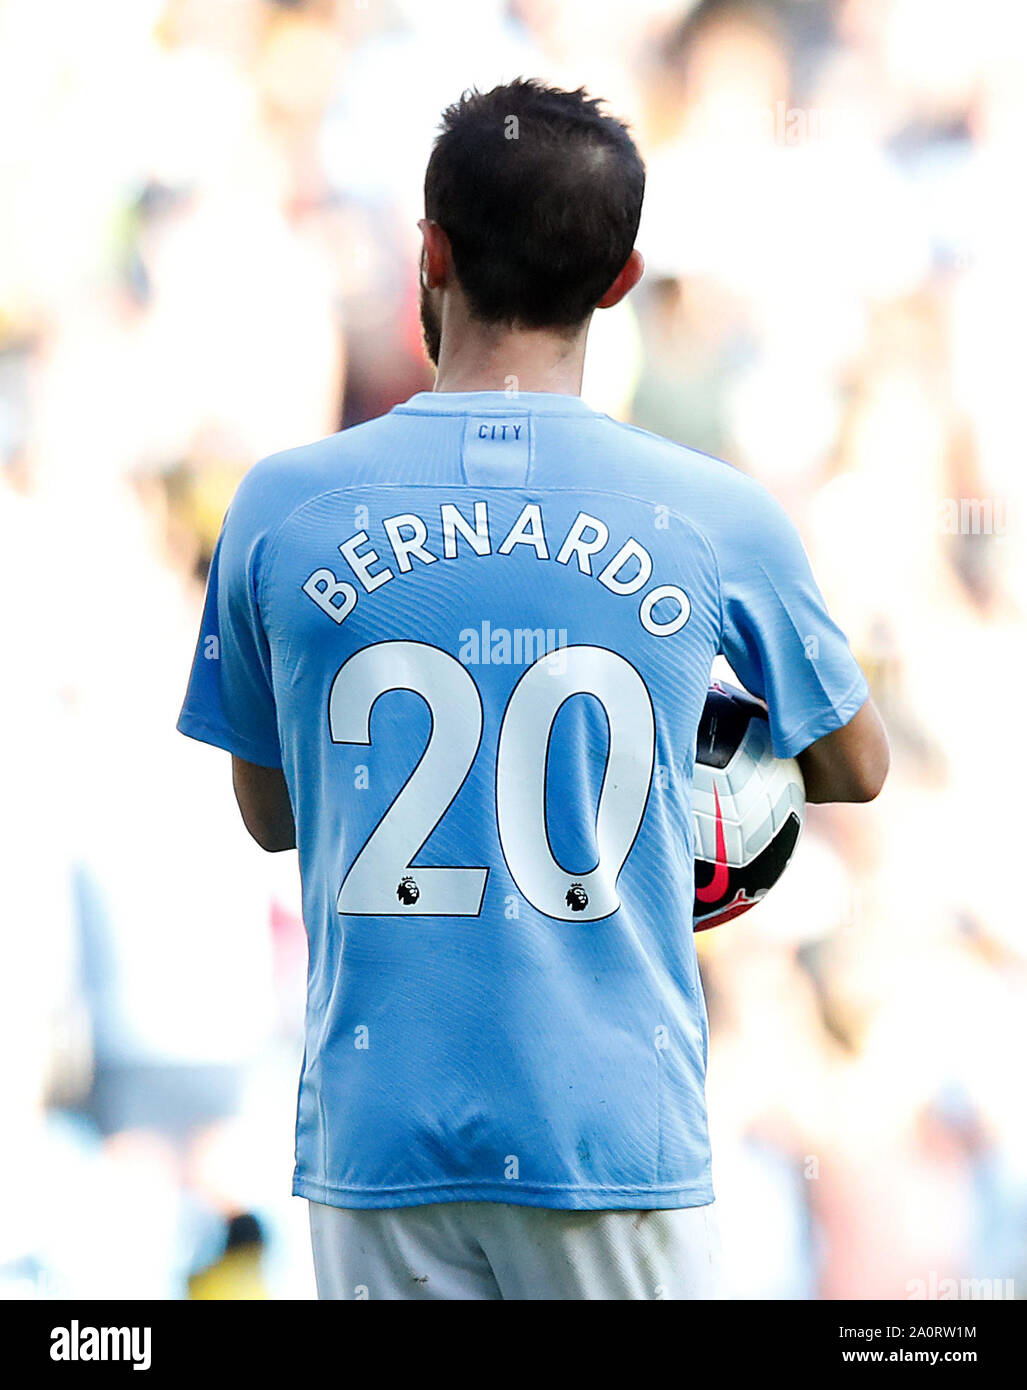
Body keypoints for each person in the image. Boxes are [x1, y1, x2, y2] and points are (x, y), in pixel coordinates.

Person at [177, 78, 888, 1301]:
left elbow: (270, 814)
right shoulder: (715, 512)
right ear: (620, 279)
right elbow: (856, 766)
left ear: (431, 254)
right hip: (611, 1136)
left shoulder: (280, 507)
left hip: (377, 1137)